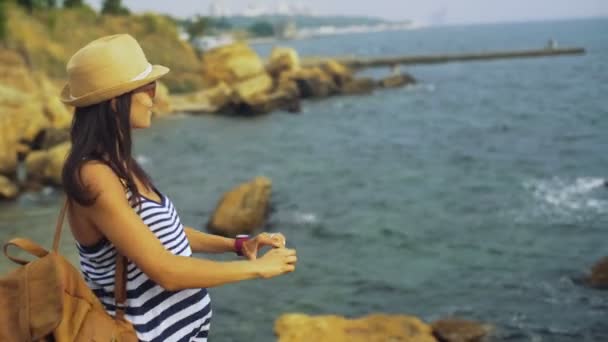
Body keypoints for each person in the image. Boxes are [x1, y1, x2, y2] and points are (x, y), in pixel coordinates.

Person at [59, 34, 297, 342]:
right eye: (149, 87)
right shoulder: (93, 176)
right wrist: (259, 269)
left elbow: (164, 236)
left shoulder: (120, 164)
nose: (154, 97)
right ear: (116, 101)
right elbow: (166, 271)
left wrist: (238, 246)